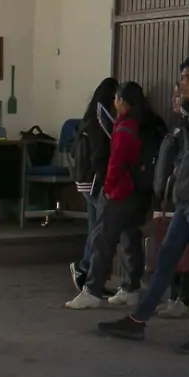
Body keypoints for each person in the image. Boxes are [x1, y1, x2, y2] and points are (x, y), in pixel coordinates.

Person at [99, 55, 189, 354]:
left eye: (188, 78)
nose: (182, 82)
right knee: (166, 259)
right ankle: (138, 320)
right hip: (187, 199)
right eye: (182, 76)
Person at [68, 82, 166, 309]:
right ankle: (131, 287)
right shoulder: (150, 123)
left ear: (121, 101)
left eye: (117, 100)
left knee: (103, 239)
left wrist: (109, 190)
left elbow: (116, 162)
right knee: (130, 237)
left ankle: (92, 290)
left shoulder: (125, 126)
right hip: (142, 191)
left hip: (121, 192)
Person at [71, 77, 122, 294]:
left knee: (95, 229)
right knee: (101, 231)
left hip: (84, 181)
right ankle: (86, 270)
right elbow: (100, 157)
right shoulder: (101, 122)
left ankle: (85, 269)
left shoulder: (89, 119)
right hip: (95, 182)